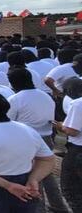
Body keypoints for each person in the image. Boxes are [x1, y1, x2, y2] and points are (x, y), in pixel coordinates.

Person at [0, 91, 56, 212]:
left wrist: (8, 186)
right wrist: (34, 179)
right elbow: (48, 159)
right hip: (24, 183)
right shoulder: (27, 130)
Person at [5, 68, 70, 212]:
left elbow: (8, 121)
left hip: (25, 140)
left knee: (33, 176)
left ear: (12, 83)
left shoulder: (15, 99)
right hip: (46, 138)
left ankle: (38, 208)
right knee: (46, 173)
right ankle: (58, 204)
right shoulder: (45, 96)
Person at [57, 77, 82, 212]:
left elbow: (72, 131)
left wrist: (61, 126)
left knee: (72, 189)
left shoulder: (78, 104)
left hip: (78, 151)